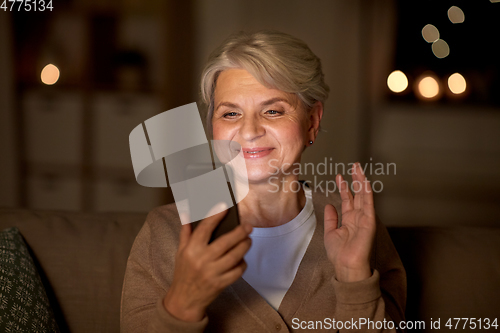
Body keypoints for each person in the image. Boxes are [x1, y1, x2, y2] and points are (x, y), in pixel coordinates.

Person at [121, 30, 406, 332]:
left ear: (312, 122)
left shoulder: (359, 229)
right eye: (230, 113)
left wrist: (354, 279)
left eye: (272, 110)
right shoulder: (164, 232)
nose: (249, 130)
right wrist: (183, 302)